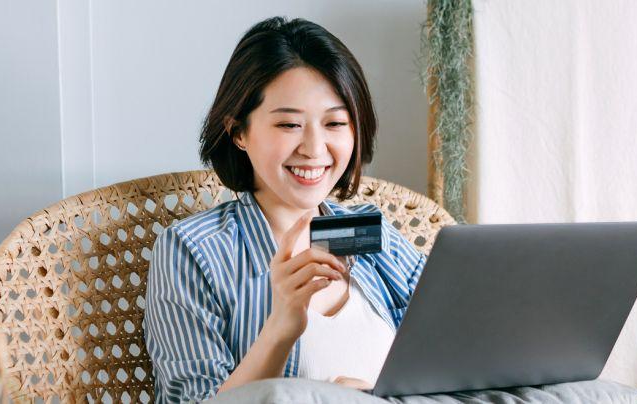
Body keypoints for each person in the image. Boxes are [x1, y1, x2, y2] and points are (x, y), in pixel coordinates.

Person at [141, 16, 427, 402]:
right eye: (290, 125)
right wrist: (281, 326)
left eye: (335, 123)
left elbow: (456, 349)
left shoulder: (374, 235)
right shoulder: (192, 252)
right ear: (238, 131)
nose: (314, 148)